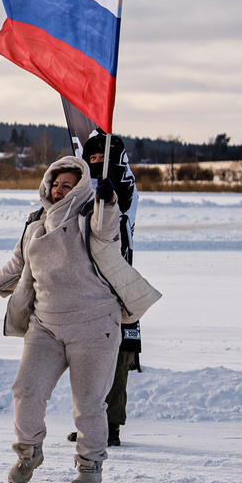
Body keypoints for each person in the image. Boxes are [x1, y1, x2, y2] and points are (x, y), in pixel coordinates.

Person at [0, 153, 160, 483]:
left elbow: (108, 229)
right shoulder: (36, 223)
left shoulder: (90, 216)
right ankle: (29, 451)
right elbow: (14, 268)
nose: (58, 190)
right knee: (26, 389)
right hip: (46, 325)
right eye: (55, 184)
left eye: (68, 185)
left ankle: (90, 465)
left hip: (95, 325)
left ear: (80, 187)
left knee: (89, 403)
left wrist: (108, 199)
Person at [81, 131, 143, 446]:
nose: (96, 164)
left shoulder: (126, 189)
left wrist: (109, 197)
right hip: (86, 285)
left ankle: (112, 425)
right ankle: (90, 424)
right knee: (87, 359)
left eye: (101, 159)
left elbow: (123, 216)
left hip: (118, 286)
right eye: (91, 159)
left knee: (117, 358)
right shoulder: (82, 189)